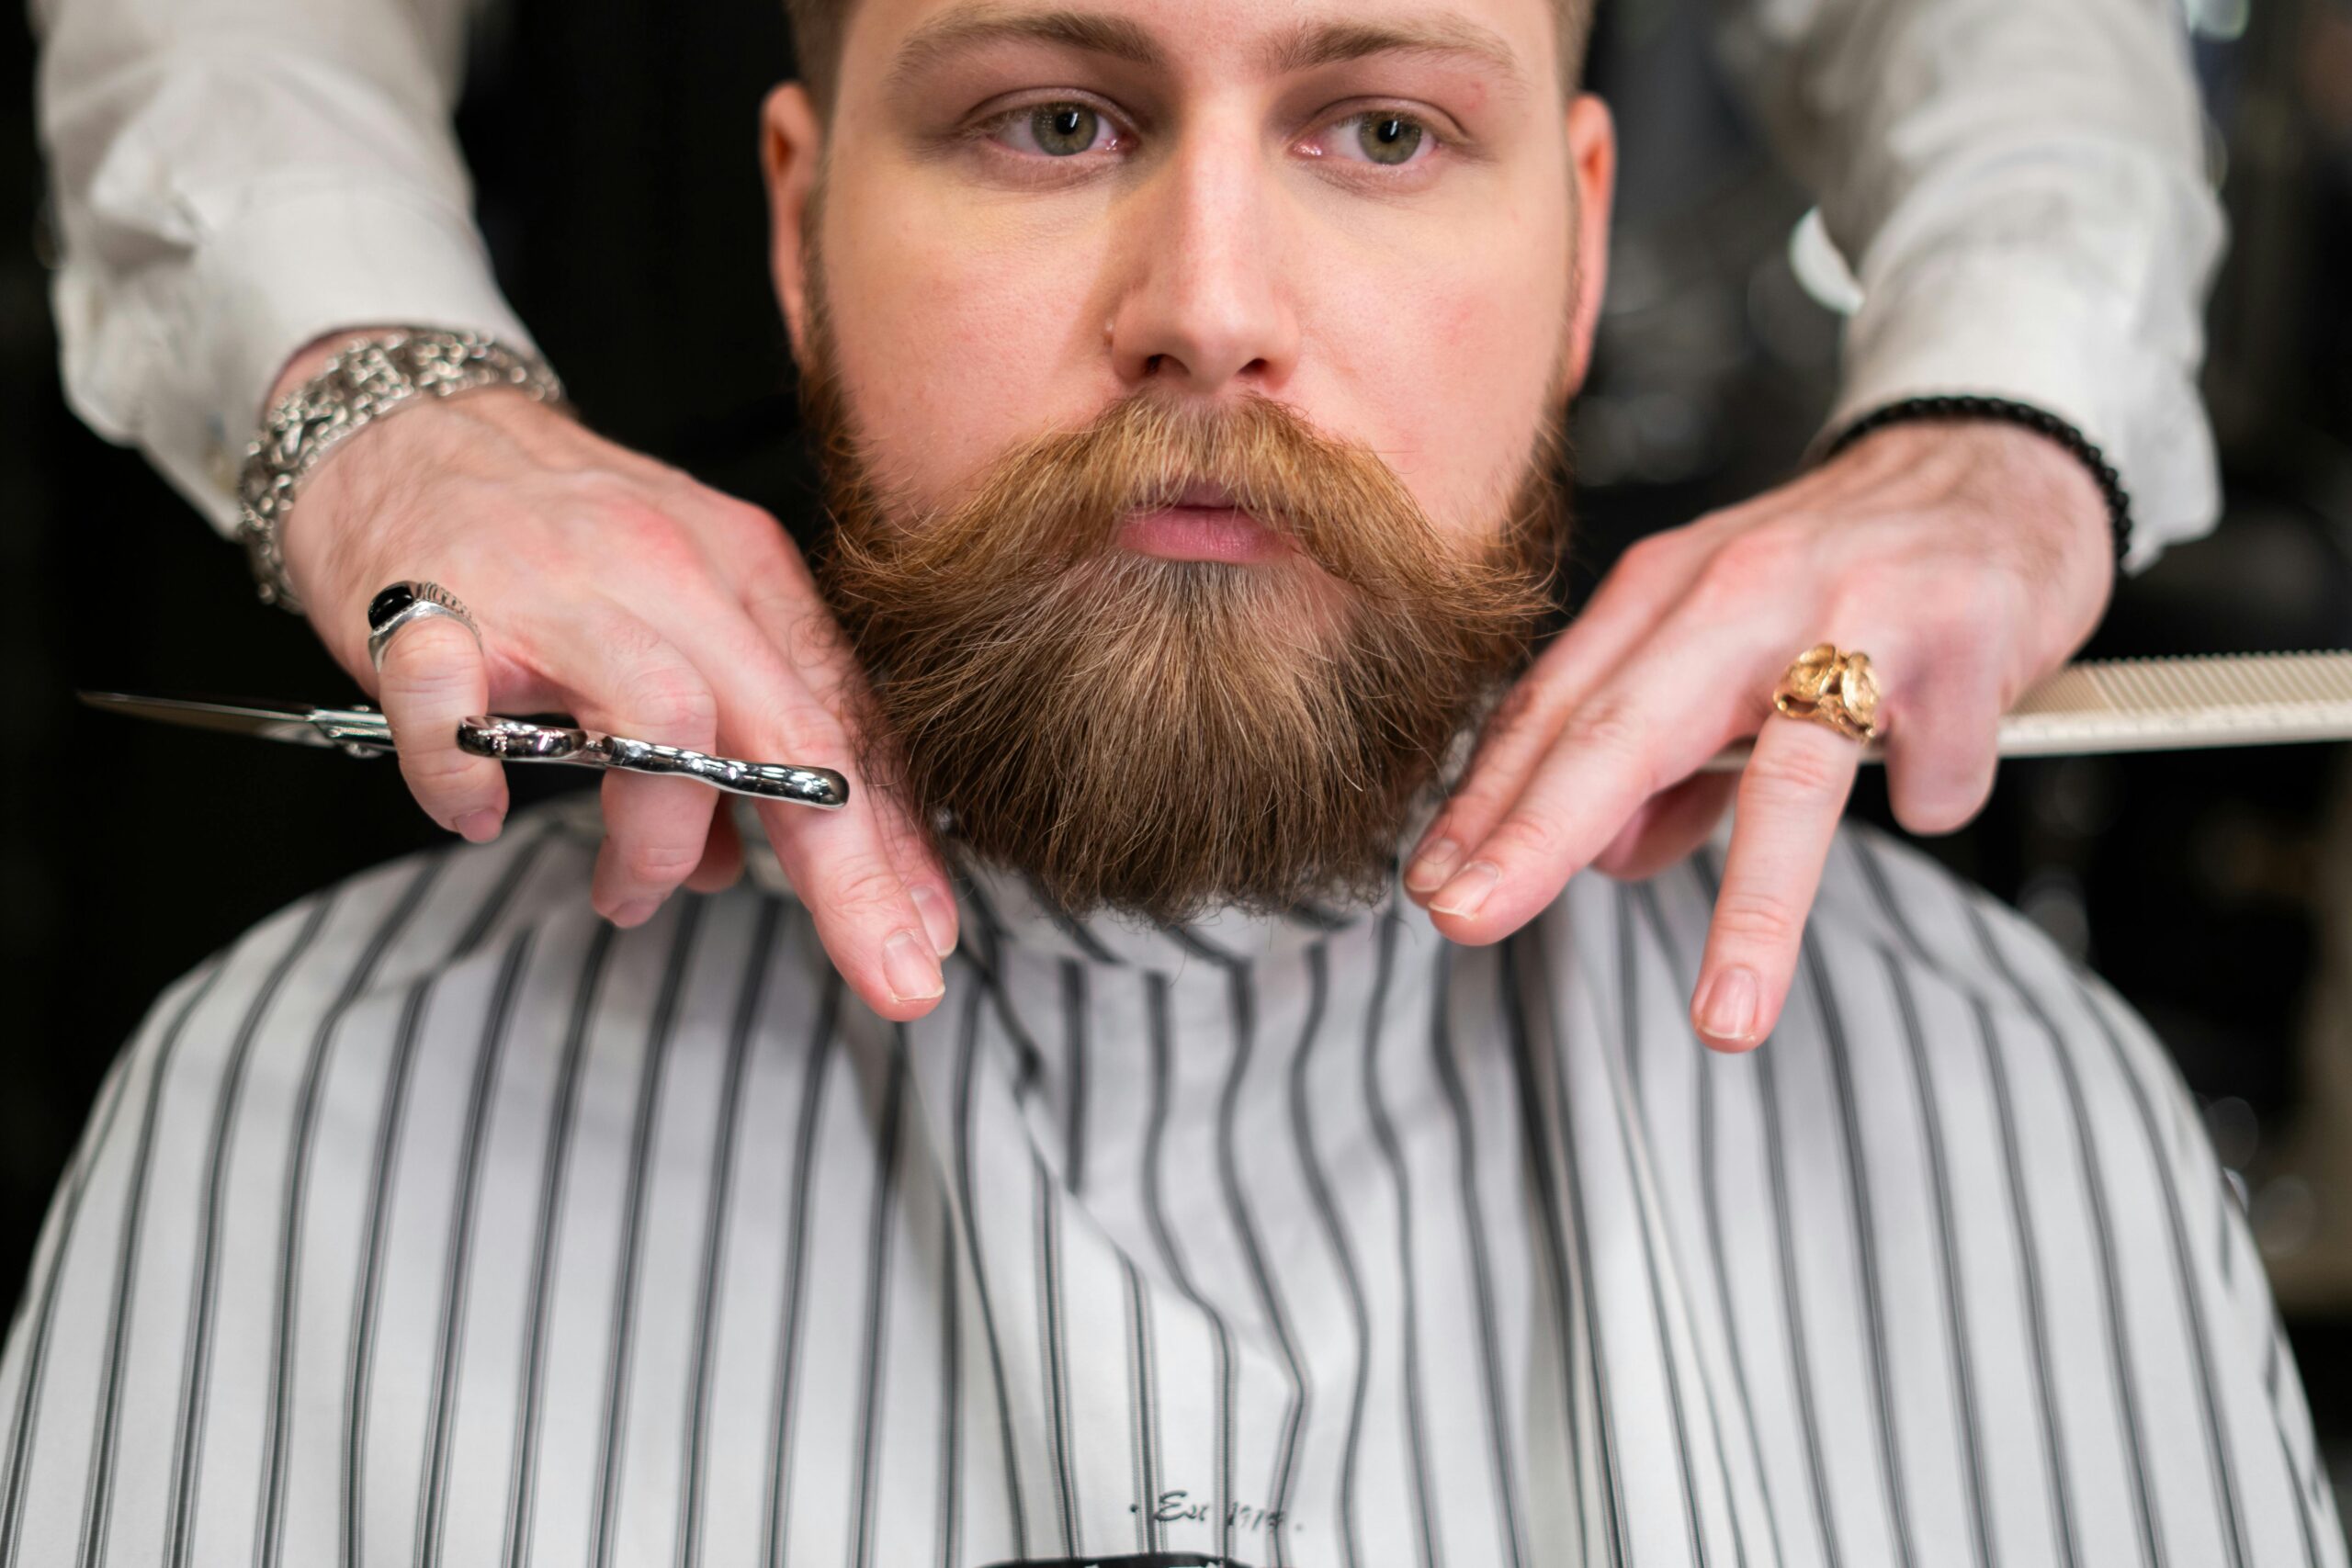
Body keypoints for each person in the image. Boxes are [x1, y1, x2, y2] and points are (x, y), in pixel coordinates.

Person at [8, 4, 2338, 1568]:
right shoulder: (299, 1125)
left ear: (1579, 252)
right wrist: (381, 395)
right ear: (800, 234)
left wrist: (2009, 407)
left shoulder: (2004, 1115)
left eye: (1383, 126)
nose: (1203, 302)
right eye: (1050, 115)